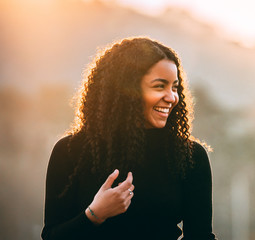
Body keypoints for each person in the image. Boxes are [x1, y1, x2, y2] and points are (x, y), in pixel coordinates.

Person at [41, 37, 217, 240]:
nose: (171, 97)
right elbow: (51, 236)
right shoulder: (70, 152)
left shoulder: (190, 157)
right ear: (127, 91)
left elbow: (200, 237)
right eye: (160, 86)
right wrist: (94, 214)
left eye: (174, 87)